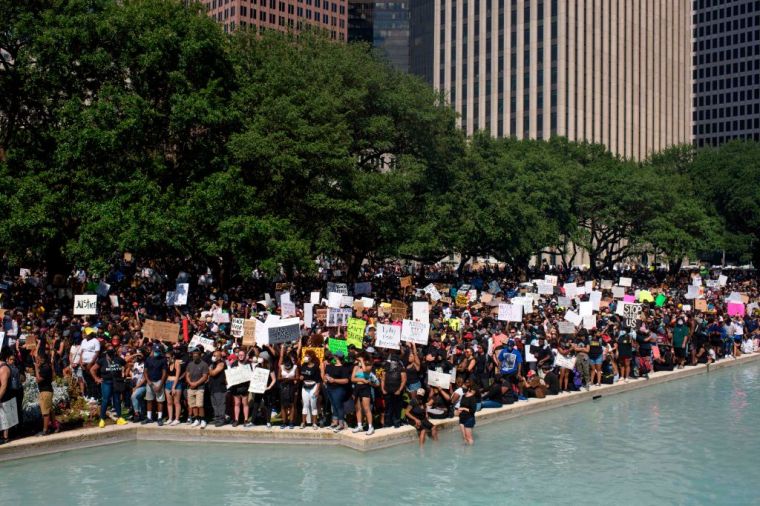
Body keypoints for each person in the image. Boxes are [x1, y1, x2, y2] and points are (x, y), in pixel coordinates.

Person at [90, 338, 128, 428]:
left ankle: (119, 418)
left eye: (112, 349)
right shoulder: (102, 360)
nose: (111, 351)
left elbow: (127, 365)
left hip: (116, 382)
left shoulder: (118, 359)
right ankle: (102, 419)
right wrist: (97, 379)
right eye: (109, 349)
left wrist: (124, 374)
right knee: (105, 400)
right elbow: (92, 369)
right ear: (106, 351)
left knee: (117, 400)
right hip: (106, 382)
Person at [324, 351, 352, 432]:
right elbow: (326, 375)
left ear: (336, 357)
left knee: (339, 407)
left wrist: (334, 380)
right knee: (334, 406)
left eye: (335, 356)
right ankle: (334, 423)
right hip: (330, 389)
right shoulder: (330, 366)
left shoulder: (344, 367)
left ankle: (341, 424)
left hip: (339, 390)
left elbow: (346, 380)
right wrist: (327, 377)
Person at [141, 344, 168, 426]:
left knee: (160, 401)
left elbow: (164, 373)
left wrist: (160, 385)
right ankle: (149, 418)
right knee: (149, 400)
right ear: (152, 351)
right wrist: (148, 382)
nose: (157, 353)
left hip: (159, 381)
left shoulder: (163, 360)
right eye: (156, 351)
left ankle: (159, 418)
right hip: (150, 382)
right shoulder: (148, 359)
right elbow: (145, 372)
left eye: (158, 351)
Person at [184, 347, 209, 428]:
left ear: (199, 355)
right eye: (193, 355)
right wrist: (190, 383)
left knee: (200, 405)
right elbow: (187, 375)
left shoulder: (204, 364)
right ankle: (196, 419)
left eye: (196, 355)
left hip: (200, 388)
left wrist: (196, 383)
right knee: (193, 405)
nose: (195, 356)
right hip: (190, 387)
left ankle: (203, 420)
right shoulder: (189, 364)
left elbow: (205, 377)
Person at [352, 353, 377, 435]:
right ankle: (359, 426)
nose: (358, 361)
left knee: (366, 408)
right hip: (357, 388)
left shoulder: (369, 366)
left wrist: (362, 360)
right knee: (357, 408)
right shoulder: (356, 367)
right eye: (358, 360)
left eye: (360, 359)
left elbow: (365, 370)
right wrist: (362, 379)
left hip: (365, 388)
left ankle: (370, 427)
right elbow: (352, 379)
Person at [34, 349, 57, 435]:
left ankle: (45, 430)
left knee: (45, 412)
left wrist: (36, 368)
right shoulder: (45, 367)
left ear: (41, 358)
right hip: (46, 391)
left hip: (45, 391)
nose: (36, 360)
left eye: (37, 358)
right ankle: (54, 426)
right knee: (49, 410)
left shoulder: (45, 368)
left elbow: (38, 379)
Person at [381, 352, 406, 428]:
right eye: (392, 360)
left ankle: (396, 423)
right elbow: (382, 379)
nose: (393, 362)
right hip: (387, 391)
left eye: (394, 360)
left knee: (397, 408)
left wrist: (399, 390)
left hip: (397, 392)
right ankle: (388, 423)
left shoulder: (401, 369)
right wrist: (383, 389)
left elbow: (403, 380)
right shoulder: (386, 368)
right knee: (388, 408)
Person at [0, 347, 20, 444]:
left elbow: (3, 386)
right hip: (4, 396)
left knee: (5, 417)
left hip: (5, 396)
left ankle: (5, 437)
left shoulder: (4, 368)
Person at [299, 349, 321, 429]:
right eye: (305, 355)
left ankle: (314, 423)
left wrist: (317, 390)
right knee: (305, 405)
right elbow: (301, 375)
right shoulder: (303, 365)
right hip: (305, 387)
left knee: (313, 405)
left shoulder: (316, 367)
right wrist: (301, 377)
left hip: (313, 387)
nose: (306, 357)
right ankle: (303, 422)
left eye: (307, 356)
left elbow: (319, 381)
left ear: (311, 357)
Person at [229, 348, 251, 427]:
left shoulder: (248, 364)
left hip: (244, 386)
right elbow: (230, 375)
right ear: (237, 355)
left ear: (245, 356)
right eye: (240, 355)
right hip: (236, 387)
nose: (241, 356)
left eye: (243, 355)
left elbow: (251, 375)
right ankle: (236, 420)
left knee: (245, 403)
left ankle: (246, 420)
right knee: (237, 403)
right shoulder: (234, 364)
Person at [278, 348, 298, 429]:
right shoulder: (281, 367)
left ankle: (291, 422)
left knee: (292, 405)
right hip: (283, 387)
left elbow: (297, 377)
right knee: (283, 406)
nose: (287, 367)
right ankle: (284, 421)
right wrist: (284, 379)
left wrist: (290, 379)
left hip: (292, 387)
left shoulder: (295, 367)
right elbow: (278, 377)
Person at [207, 349, 227, 427]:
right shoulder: (213, 364)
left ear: (219, 357)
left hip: (220, 388)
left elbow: (213, 373)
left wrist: (209, 369)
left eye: (215, 356)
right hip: (213, 387)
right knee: (214, 404)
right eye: (213, 355)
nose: (213, 357)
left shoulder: (221, 364)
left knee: (220, 404)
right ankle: (217, 418)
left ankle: (222, 419)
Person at [79, 329, 100, 402]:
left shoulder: (95, 341)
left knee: (92, 380)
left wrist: (91, 363)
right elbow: (81, 352)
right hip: (84, 364)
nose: (84, 334)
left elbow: (97, 353)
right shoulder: (83, 341)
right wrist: (81, 362)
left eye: (85, 333)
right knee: (87, 380)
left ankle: (95, 396)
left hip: (92, 364)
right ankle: (90, 395)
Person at [164, 348, 184, 425]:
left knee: (176, 402)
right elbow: (167, 374)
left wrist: (173, 387)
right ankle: (170, 418)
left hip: (176, 383)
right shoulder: (168, 363)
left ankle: (177, 419)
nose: (167, 359)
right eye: (166, 357)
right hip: (168, 383)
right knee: (169, 402)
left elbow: (177, 375)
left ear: (173, 356)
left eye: (168, 357)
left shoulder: (177, 363)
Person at [455, 379, 477, 445]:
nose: (463, 389)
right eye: (462, 388)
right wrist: (458, 410)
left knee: (469, 438)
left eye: (464, 388)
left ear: (468, 388)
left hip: (469, 419)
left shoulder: (472, 397)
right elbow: (461, 405)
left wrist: (464, 408)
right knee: (464, 438)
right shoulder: (463, 396)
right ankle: (465, 453)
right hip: (462, 418)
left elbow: (473, 410)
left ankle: (471, 453)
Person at [129, 351, 146, 422]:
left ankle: (136, 414)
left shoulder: (145, 364)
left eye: (140, 355)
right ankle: (141, 414)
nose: (138, 356)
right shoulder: (135, 364)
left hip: (142, 385)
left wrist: (137, 386)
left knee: (134, 396)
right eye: (137, 355)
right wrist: (135, 354)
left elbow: (145, 378)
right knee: (139, 399)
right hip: (134, 385)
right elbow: (125, 361)